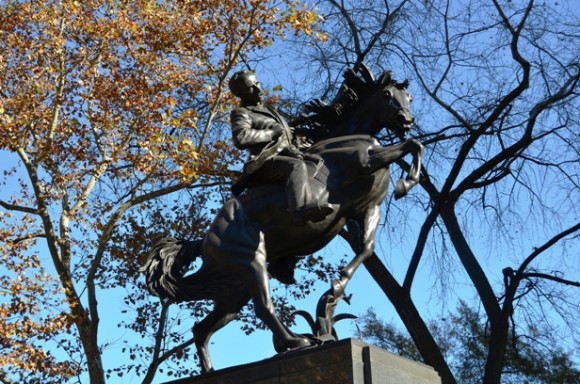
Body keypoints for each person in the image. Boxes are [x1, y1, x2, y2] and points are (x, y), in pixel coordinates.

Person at [228, 70, 333, 283]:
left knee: (316, 168)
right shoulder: (241, 113)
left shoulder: (269, 110)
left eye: (257, 83)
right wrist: (272, 133)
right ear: (241, 92)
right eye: (252, 86)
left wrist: (295, 135)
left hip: (288, 155)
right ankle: (300, 210)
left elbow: (287, 137)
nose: (258, 88)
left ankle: (286, 258)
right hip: (265, 165)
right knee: (296, 168)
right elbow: (241, 137)